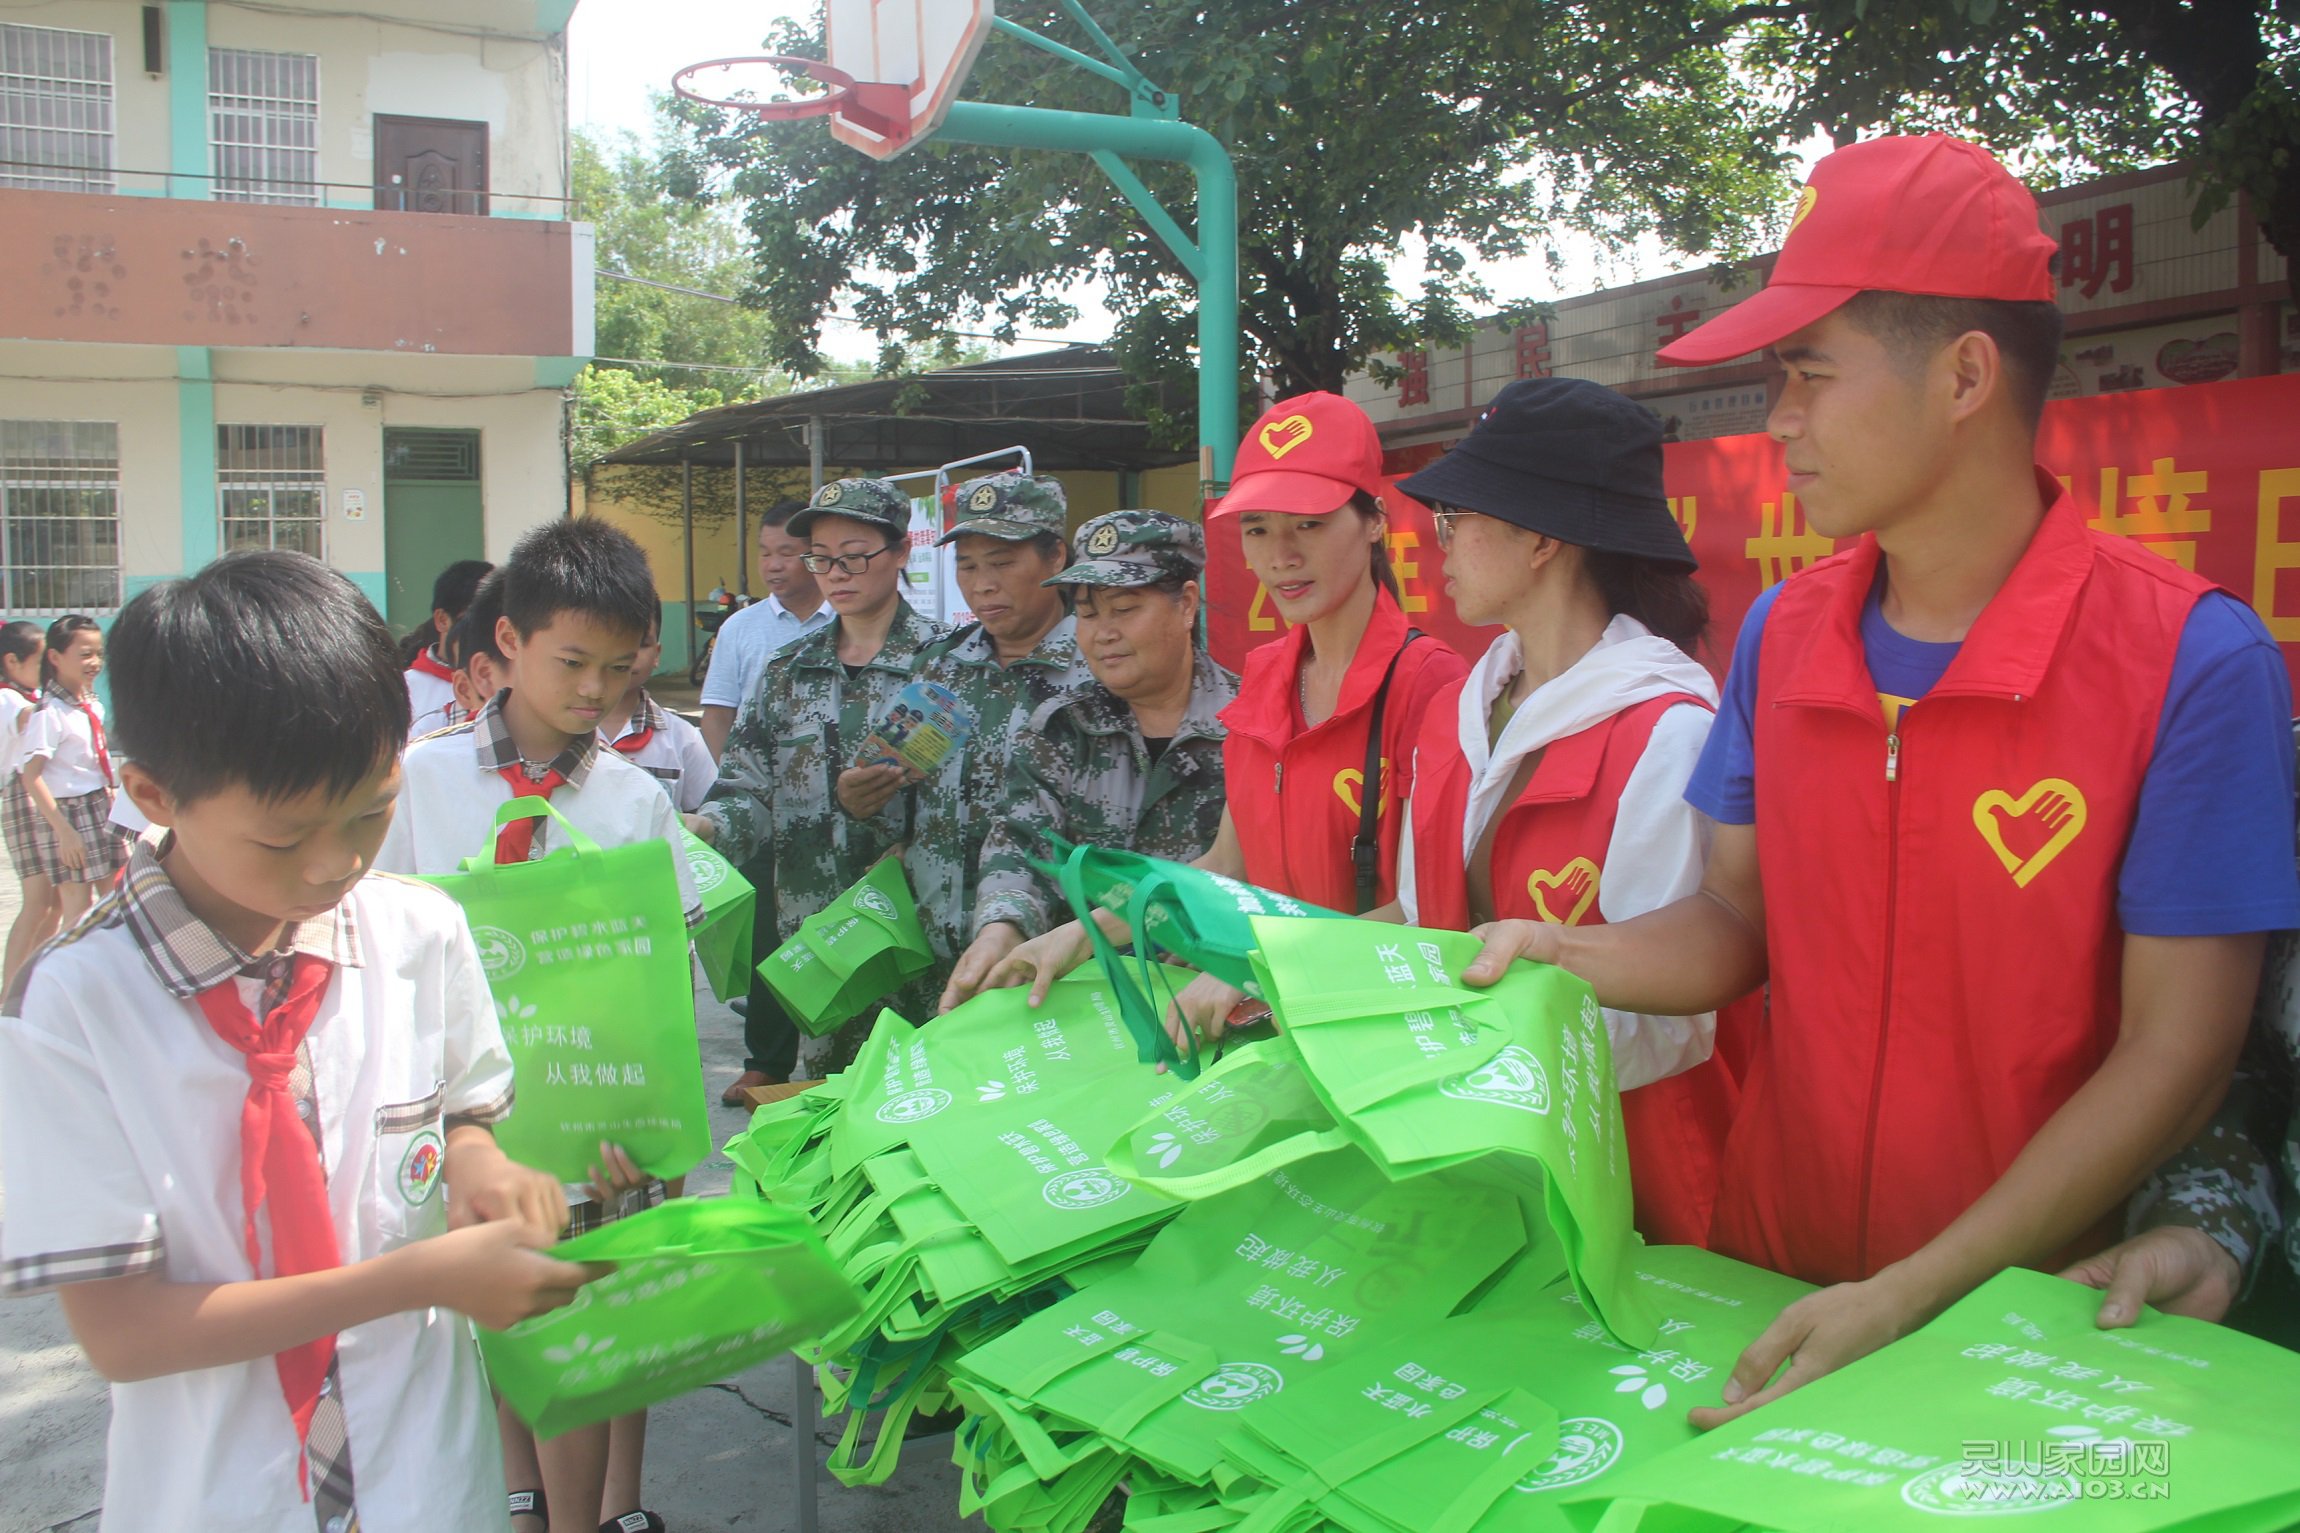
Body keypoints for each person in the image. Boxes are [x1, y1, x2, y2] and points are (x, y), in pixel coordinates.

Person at [1459, 135, 2300, 1421]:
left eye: (1806, 374)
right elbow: (1735, 920)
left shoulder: (2187, 660)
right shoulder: (1786, 635)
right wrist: (1560, 953)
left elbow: (2175, 1052)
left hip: (2028, 1311)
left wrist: (1915, 1287)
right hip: (1766, 1274)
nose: (1775, 421)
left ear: (1964, 373)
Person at [0, 551, 599, 1533]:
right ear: (151, 795)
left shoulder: (416, 934)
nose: (335, 865)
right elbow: (124, 1333)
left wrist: (479, 1169)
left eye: (372, 810)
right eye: (283, 837)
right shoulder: (74, 1008)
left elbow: (460, 1117)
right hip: (221, 1495)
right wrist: (418, 1278)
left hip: (427, 1486)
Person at [375, 518, 696, 1533]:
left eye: (618, 666)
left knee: (590, 1331)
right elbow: (380, 940)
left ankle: (587, 1518)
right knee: (497, 1330)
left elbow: (663, 979)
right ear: (506, 642)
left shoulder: (635, 801)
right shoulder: (420, 783)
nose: (595, 690)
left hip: (596, 1121)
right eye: (571, 661)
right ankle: (526, 1502)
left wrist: (662, 1132)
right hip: (466, 1125)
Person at [959, 397, 1469, 1030]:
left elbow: (1431, 909)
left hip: (1376, 1028)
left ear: (1373, 522)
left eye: (1307, 524)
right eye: (1256, 528)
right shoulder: (1267, 680)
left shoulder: (1431, 687)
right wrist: (1078, 937)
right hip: (1271, 1031)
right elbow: (1225, 865)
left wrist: (1261, 965)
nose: (1280, 555)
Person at [1386, 377, 1746, 1246]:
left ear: (1541, 536)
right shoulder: (1461, 711)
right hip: (1469, 1154)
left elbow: (1669, 1026)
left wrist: (1467, 1044)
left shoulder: (1666, 730)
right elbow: (1410, 916)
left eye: (1455, 518)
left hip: (1625, 1182)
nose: (1438, 544)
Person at [691, 478, 949, 1084]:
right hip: (821, 938)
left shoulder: (949, 662)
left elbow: (980, 798)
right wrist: (706, 825)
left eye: (855, 555)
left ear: (902, 550)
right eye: (823, 559)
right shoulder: (787, 670)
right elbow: (748, 790)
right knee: (831, 1101)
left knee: (922, 1099)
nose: (838, 573)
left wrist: (909, 831)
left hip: (919, 935)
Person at [941, 512, 1239, 1006]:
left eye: (1124, 608)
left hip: (1207, 1010)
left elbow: (1259, 874)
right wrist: (1004, 926)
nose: (1103, 633)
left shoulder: (1251, 727)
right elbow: (1021, 843)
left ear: (1186, 606)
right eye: (1088, 613)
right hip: (1074, 1010)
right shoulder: (1063, 726)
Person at [898, 470, 1079, 1000]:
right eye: (967, 565)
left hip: (1047, 965)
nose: (982, 585)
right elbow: (903, 789)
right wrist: (866, 797)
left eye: (1002, 563)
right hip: (934, 948)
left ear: (1056, 558)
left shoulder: (1102, 672)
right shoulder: (939, 665)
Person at [17, 615, 132, 922]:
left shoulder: (91, 703)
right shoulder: (49, 712)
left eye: (98, 654)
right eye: (85, 655)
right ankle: (69, 967)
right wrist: (64, 832)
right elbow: (32, 775)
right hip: (69, 813)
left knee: (116, 899)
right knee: (78, 909)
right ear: (54, 657)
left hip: (100, 804)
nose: (94, 662)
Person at [698, 500, 831, 762]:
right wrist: (730, 782)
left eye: (786, 553)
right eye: (765, 553)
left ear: (816, 555)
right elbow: (717, 716)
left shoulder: (847, 619)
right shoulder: (739, 627)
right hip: (759, 786)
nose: (773, 565)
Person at [602, 614, 717, 814]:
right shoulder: (552, 732)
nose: (627, 654)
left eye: (641, 644)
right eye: (614, 639)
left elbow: (708, 813)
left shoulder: (683, 738)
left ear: (657, 654)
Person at [1, 619, 59, 983]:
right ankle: (8, 993)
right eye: (42, 663)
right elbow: (29, 720)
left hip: (38, 797)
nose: (47, 672)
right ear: (11, 661)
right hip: (21, 798)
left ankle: (28, 984)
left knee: (52, 904)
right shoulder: (9, 699)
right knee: (38, 899)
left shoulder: (29, 698)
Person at [403, 558, 495, 737]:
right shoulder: (406, 691)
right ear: (442, 620)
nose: (486, 632)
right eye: (471, 621)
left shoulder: (511, 680)